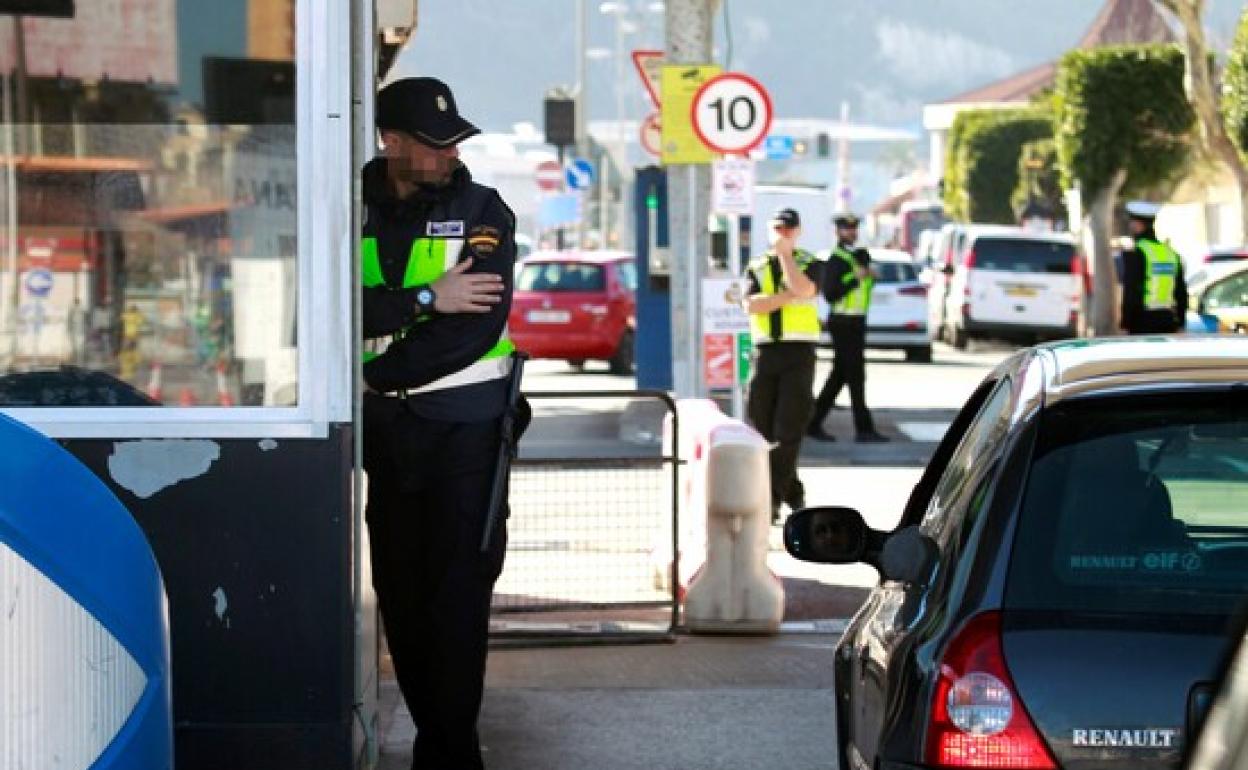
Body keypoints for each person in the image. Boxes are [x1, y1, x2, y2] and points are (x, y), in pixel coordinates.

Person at [360, 76, 522, 770]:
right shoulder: (351, 208)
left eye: (455, 141)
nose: (450, 154)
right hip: (387, 434)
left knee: (457, 596)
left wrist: (376, 371)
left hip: (466, 426)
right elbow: (332, 306)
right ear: (391, 142)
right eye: (434, 144)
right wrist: (426, 297)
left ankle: (451, 752)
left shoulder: (482, 210)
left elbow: (474, 323)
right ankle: (439, 736)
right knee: (400, 595)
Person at [743, 208, 823, 525]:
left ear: (798, 232)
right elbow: (752, 305)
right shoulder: (757, 266)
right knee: (762, 428)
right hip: (765, 352)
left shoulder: (809, 262)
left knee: (788, 429)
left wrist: (786, 259)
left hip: (799, 353)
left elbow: (806, 289)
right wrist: (788, 295)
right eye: (778, 228)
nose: (783, 234)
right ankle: (793, 491)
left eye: (788, 229)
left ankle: (772, 500)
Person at [808, 213, 889, 444]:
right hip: (843, 322)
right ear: (838, 231)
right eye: (847, 228)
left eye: (854, 228)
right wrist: (855, 278)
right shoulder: (837, 259)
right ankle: (864, 429)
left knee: (841, 375)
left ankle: (813, 423)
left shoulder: (858, 257)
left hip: (856, 322)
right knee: (855, 376)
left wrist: (870, 276)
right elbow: (830, 294)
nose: (851, 232)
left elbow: (863, 290)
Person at [1120, 201, 1187, 335]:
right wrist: (1180, 322)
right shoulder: (1170, 253)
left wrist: (1125, 323)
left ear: (1138, 224)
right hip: (1167, 320)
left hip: (1142, 322)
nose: (1130, 226)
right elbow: (1181, 292)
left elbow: (1131, 292)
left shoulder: (1136, 253)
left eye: (1131, 222)